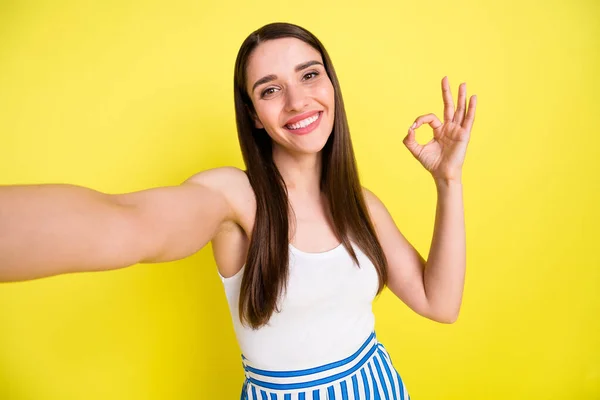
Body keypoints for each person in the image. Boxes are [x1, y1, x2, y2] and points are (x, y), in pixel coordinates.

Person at [0, 22, 476, 399]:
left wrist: (447, 181)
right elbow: (127, 224)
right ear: (253, 114)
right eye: (270, 90)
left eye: (309, 75)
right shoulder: (234, 198)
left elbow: (441, 303)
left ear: (331, 85)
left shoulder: (361, 206)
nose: (297, 100)